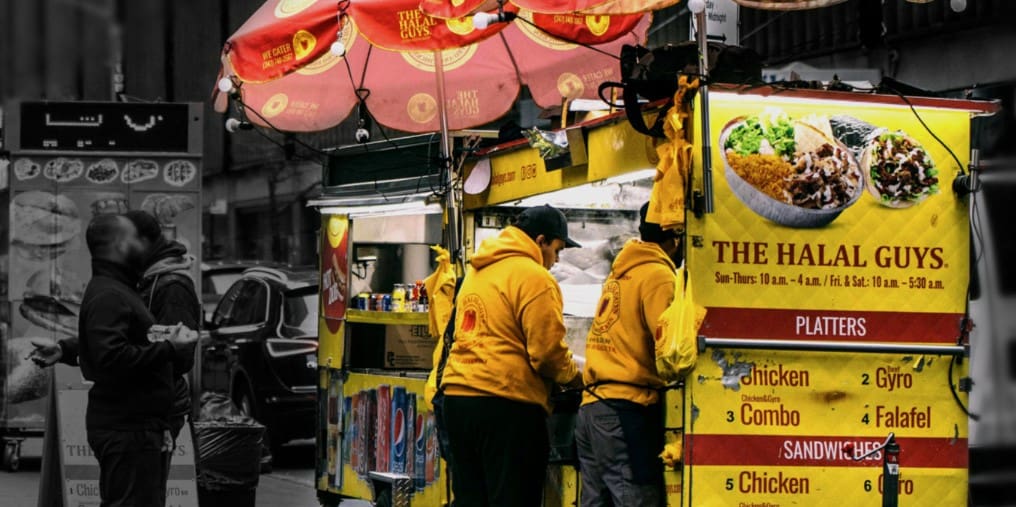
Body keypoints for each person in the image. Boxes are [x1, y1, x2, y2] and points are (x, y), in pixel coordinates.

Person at [440, 204, 584, 506]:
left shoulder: (478, 270)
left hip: (457, 401)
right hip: (506, 405)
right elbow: (546, 354)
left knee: (471, 500)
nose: (556, 260)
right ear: (541, 240)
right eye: (556, 250)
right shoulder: (535, 277)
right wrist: (574, 376)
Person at [31, 211, 200, 443]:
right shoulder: (134, 281)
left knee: (139, 478)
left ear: (143, 244)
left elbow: (179, 359)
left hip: (152, 415)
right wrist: (66, 349)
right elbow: (126, 341)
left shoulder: (171, 288)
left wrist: (169, 348)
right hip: (133, 416)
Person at [78, 214, 198, 506]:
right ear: (120, 245)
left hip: (136, 424)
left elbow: (125, 340)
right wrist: (170, 347)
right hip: (130, 427)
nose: (144, 245)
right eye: (135, 239)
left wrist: (67, 348)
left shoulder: (123, 288)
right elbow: (112, 355)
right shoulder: (112, 293)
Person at [574, 202, 682, 507]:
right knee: (637, 500)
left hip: (592, 408)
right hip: (624, 409)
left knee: (597, 502)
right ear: (675, 238)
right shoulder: (658, 275)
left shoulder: (622, 271)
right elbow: (670, 347)